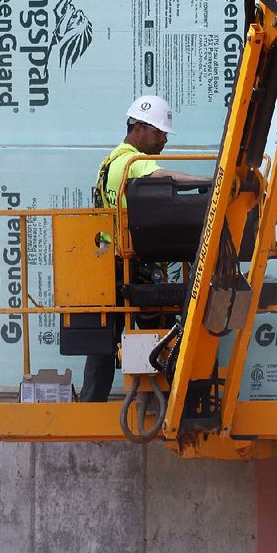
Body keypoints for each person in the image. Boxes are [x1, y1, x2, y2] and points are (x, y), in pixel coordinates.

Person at [80, 94, 204, 403]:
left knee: (106, 339)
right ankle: (167, 396)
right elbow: (165, 177)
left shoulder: (108, 162)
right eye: (159, 132)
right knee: (158, 325)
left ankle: (93, 401)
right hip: (124, 264)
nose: (164, 139)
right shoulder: (131, 162)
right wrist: (212, 181)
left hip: (108, 261)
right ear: (139, 128)